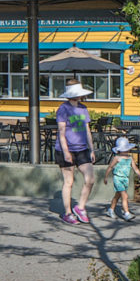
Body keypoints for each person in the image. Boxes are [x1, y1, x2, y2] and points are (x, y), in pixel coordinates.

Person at [55, 82, 95, 224]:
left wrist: (91, 149)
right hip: (66, 150)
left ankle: (80, 207)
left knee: (90, 179)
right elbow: (61, 132)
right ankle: (67, 213)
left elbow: (87, 129)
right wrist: (66, 151)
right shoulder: (63, 109)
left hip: (82, 149)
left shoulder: (83, 108)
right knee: (69, 182)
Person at [103, 136, 140, 221]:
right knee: (124, 196)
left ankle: (111, 210)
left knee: (117, 196)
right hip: (118, 178)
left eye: (127, 149)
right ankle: (126, 213)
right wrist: (105, 177)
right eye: (123, 149)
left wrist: (139, 174)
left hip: (125, 179)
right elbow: (110, 167)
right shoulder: (117, 158)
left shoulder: (130, 158)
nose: (126, 151)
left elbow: (135, 168)